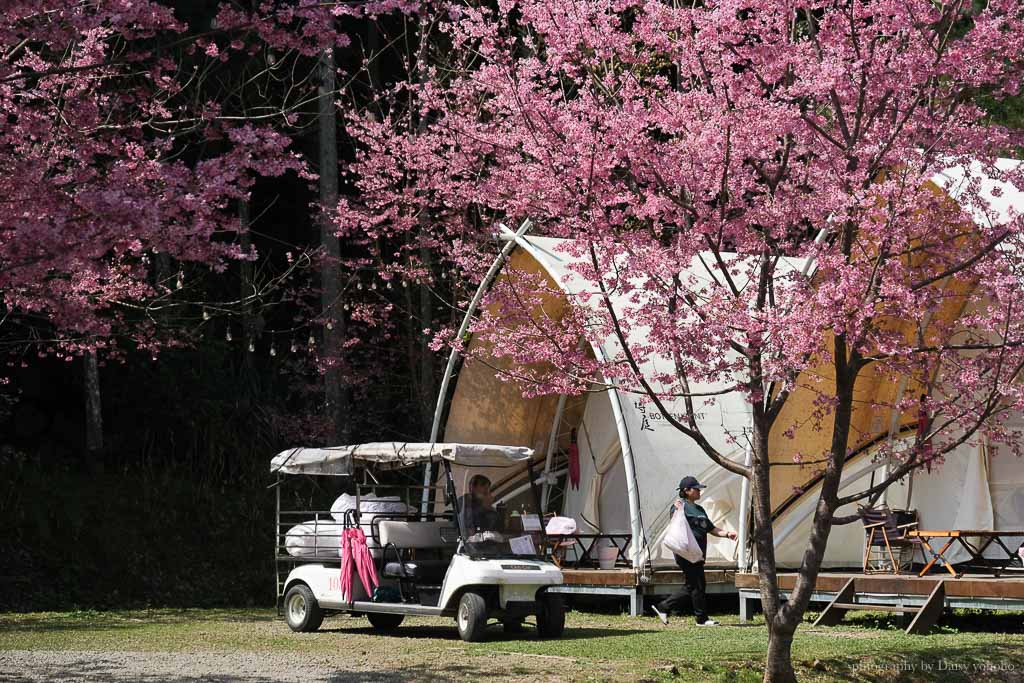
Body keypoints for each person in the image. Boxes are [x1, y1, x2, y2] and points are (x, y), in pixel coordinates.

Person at [650, 475, 737, 626]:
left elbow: (711, 528)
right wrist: (677, 510)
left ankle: (666, 607)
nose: (699, 491)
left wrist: (727, 534)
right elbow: (676, 525)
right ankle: (700, 618)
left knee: (695, 585)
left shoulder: (699, 509)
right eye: (696, 489)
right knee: (696, 584)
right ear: (687, 490)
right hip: (686, 553)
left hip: (697, 553)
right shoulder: (679, 506)